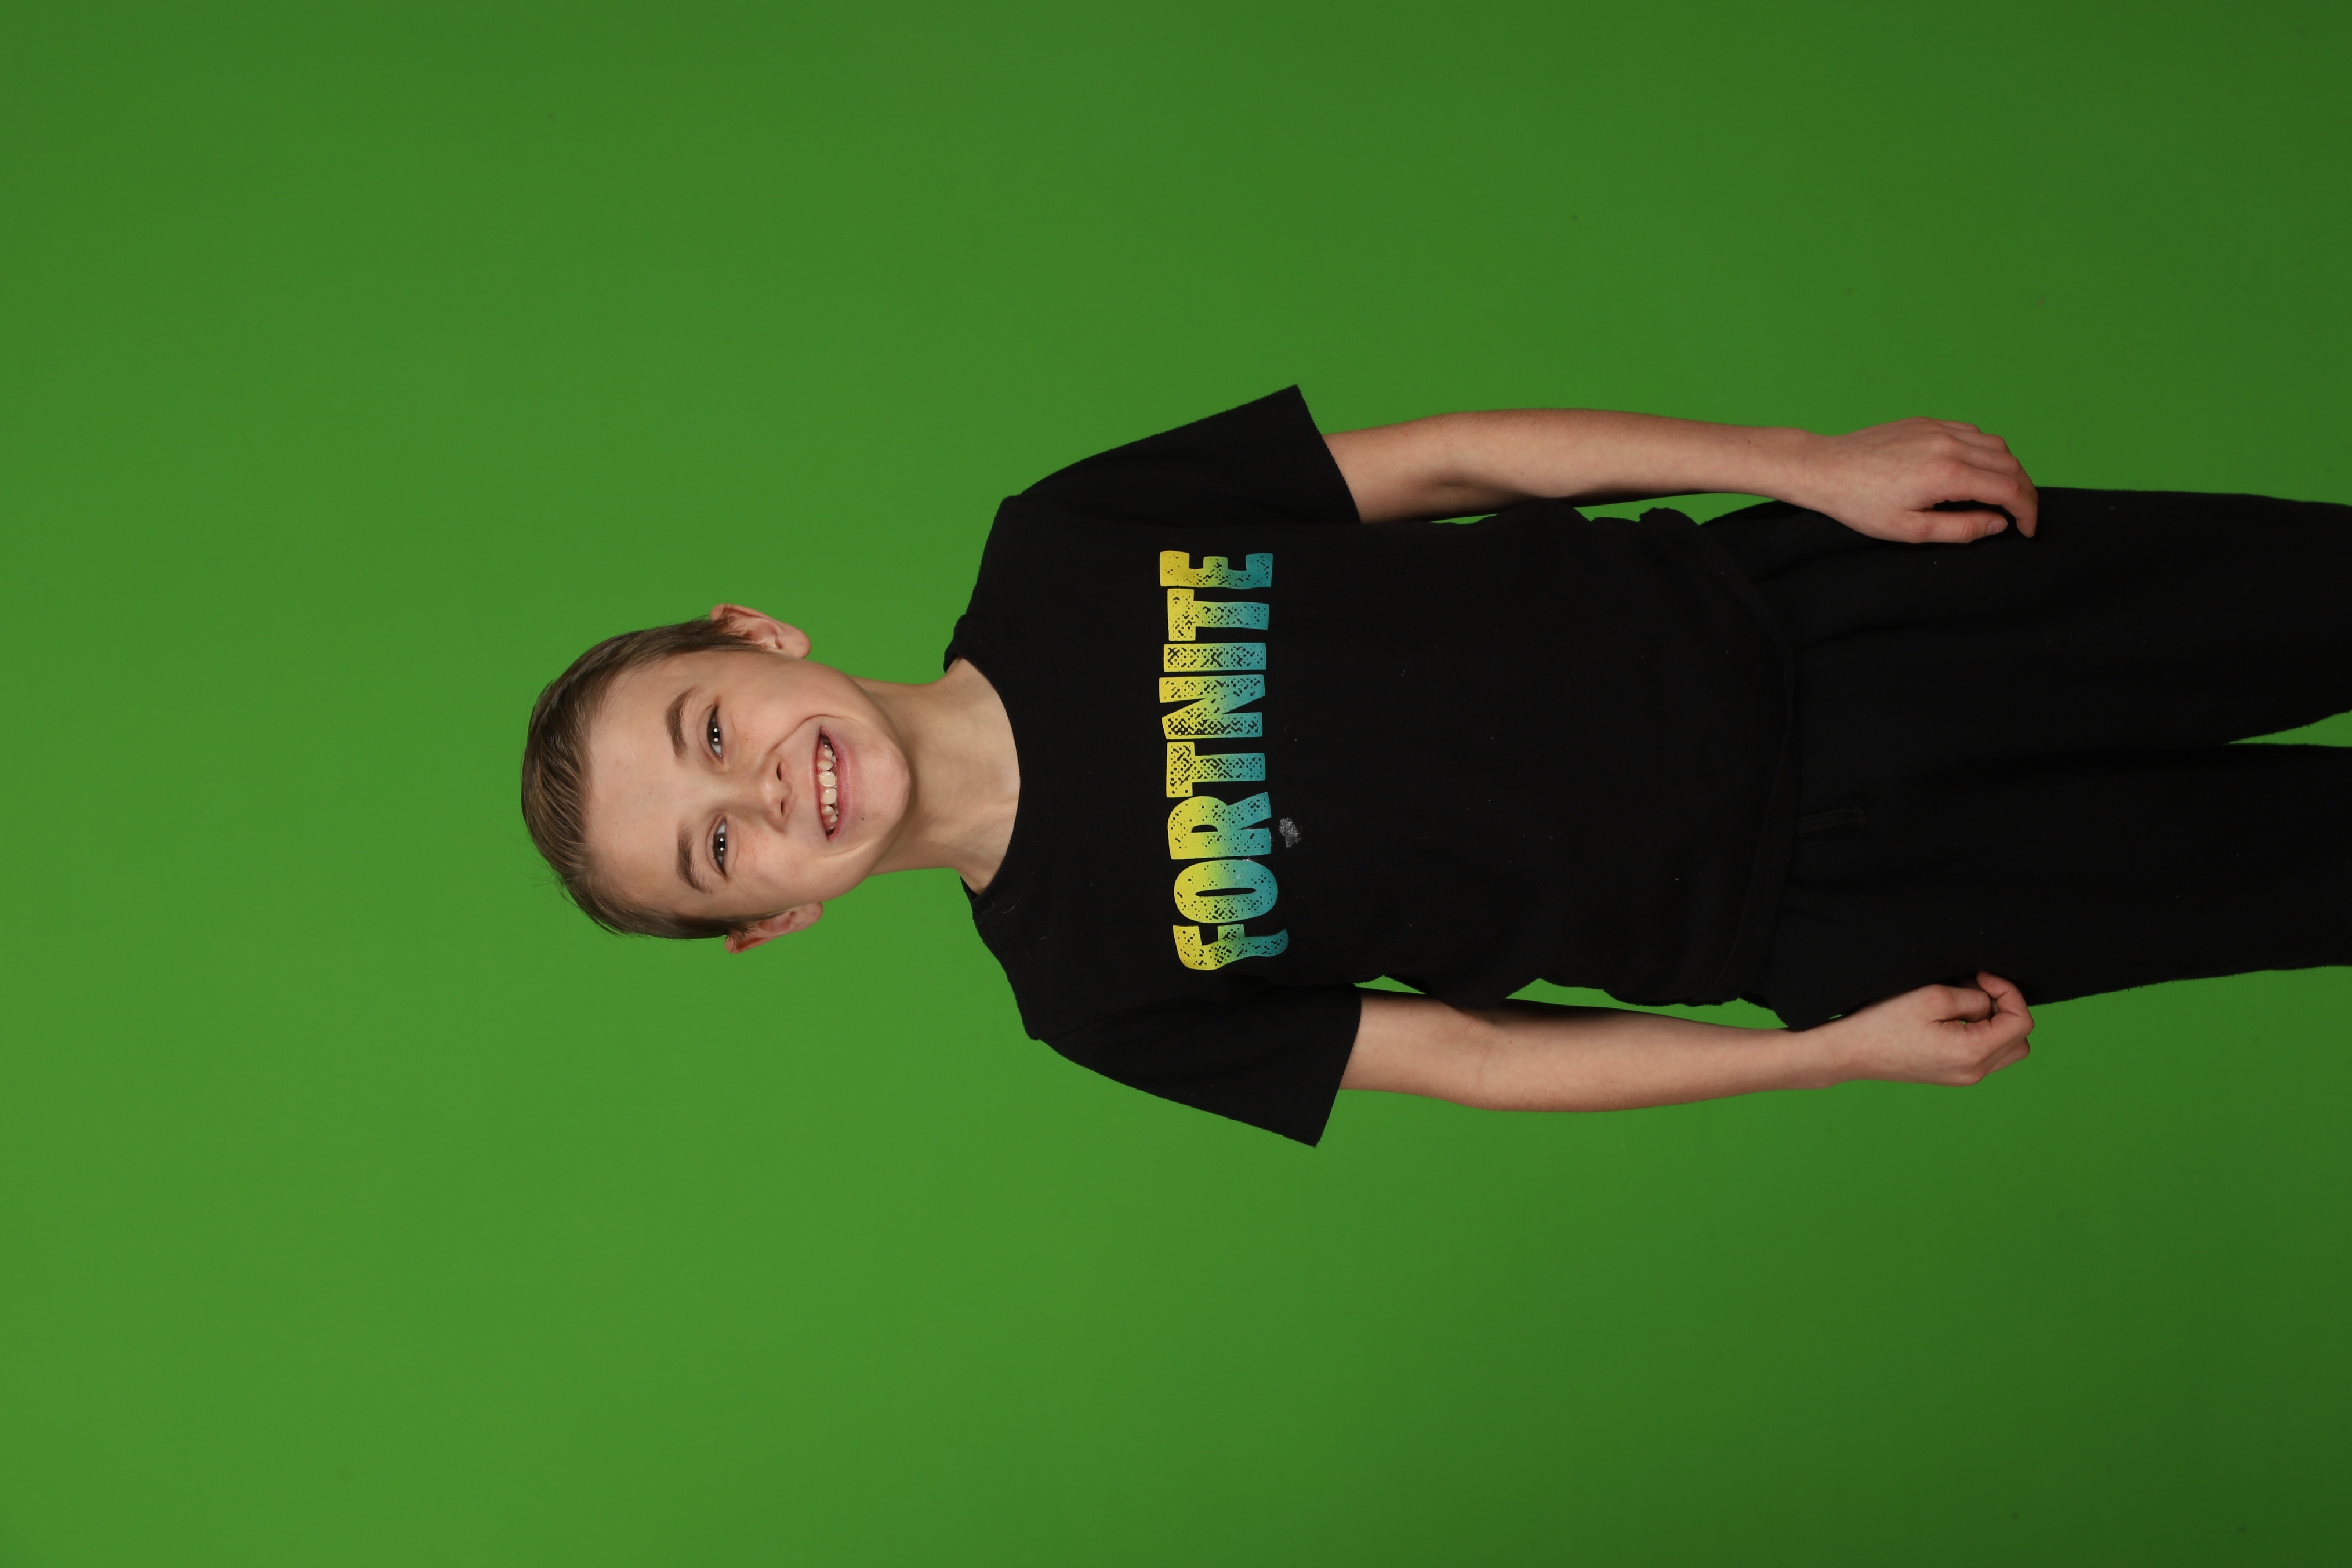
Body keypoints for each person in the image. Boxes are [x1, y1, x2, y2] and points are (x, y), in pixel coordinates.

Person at [518, 389, 2352, 1145]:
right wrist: (1826, 1052)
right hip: (1828, 903)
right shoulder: (1092, 995)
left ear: (754, 637)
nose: (764, 794)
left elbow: (1455, 461)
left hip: (1820, 618)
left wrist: (1806, 468)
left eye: (708, 733)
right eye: (717, 851)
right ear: (770, 925)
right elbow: (1474, 1057)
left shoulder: (1063, 543)